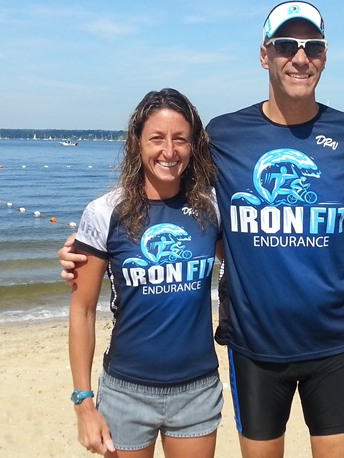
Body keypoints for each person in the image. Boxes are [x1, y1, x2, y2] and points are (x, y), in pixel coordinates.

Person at [61, 1, 344, 458]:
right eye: (285, 46)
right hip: (253, 344)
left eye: (312, 46)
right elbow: (177, 203)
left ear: (325, 55)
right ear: (264, 55)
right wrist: (91, 245)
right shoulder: (222, 136)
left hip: (334, 342)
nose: (300, 57)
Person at [68, 88, 223, 458]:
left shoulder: (212, 206)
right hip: (126, 392)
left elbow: (254, 253)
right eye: (157, 138)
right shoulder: (105, 212)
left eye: (180, 139)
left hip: (197, 391)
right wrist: (83, 402)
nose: (169, 152)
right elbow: (82, 310)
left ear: (193, 145)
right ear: (137, 142)